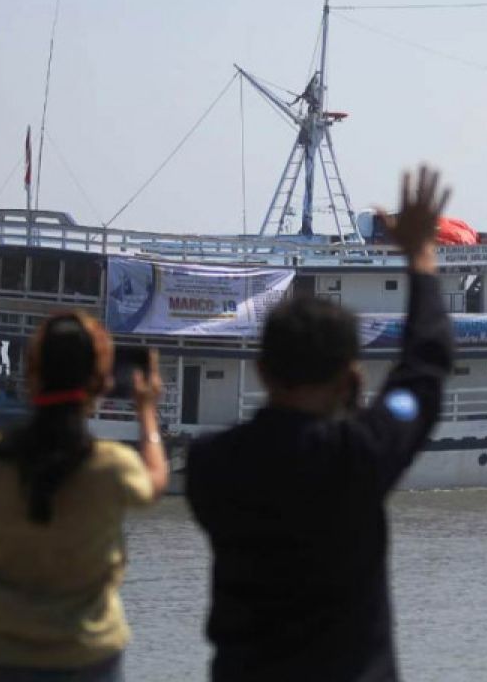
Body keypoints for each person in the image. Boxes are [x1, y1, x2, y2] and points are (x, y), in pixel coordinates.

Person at [186, 166, 454, 682]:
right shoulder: (360, 455)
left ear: (262, 370)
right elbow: (425, 370)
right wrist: (421, 260)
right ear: (350, 377)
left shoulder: (209, 465)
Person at [0, 312, 169, 681]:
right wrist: (147, 412)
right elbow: (154, 484)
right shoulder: (111, 466)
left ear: (32, 377)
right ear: (100, 383)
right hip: (84, 652)